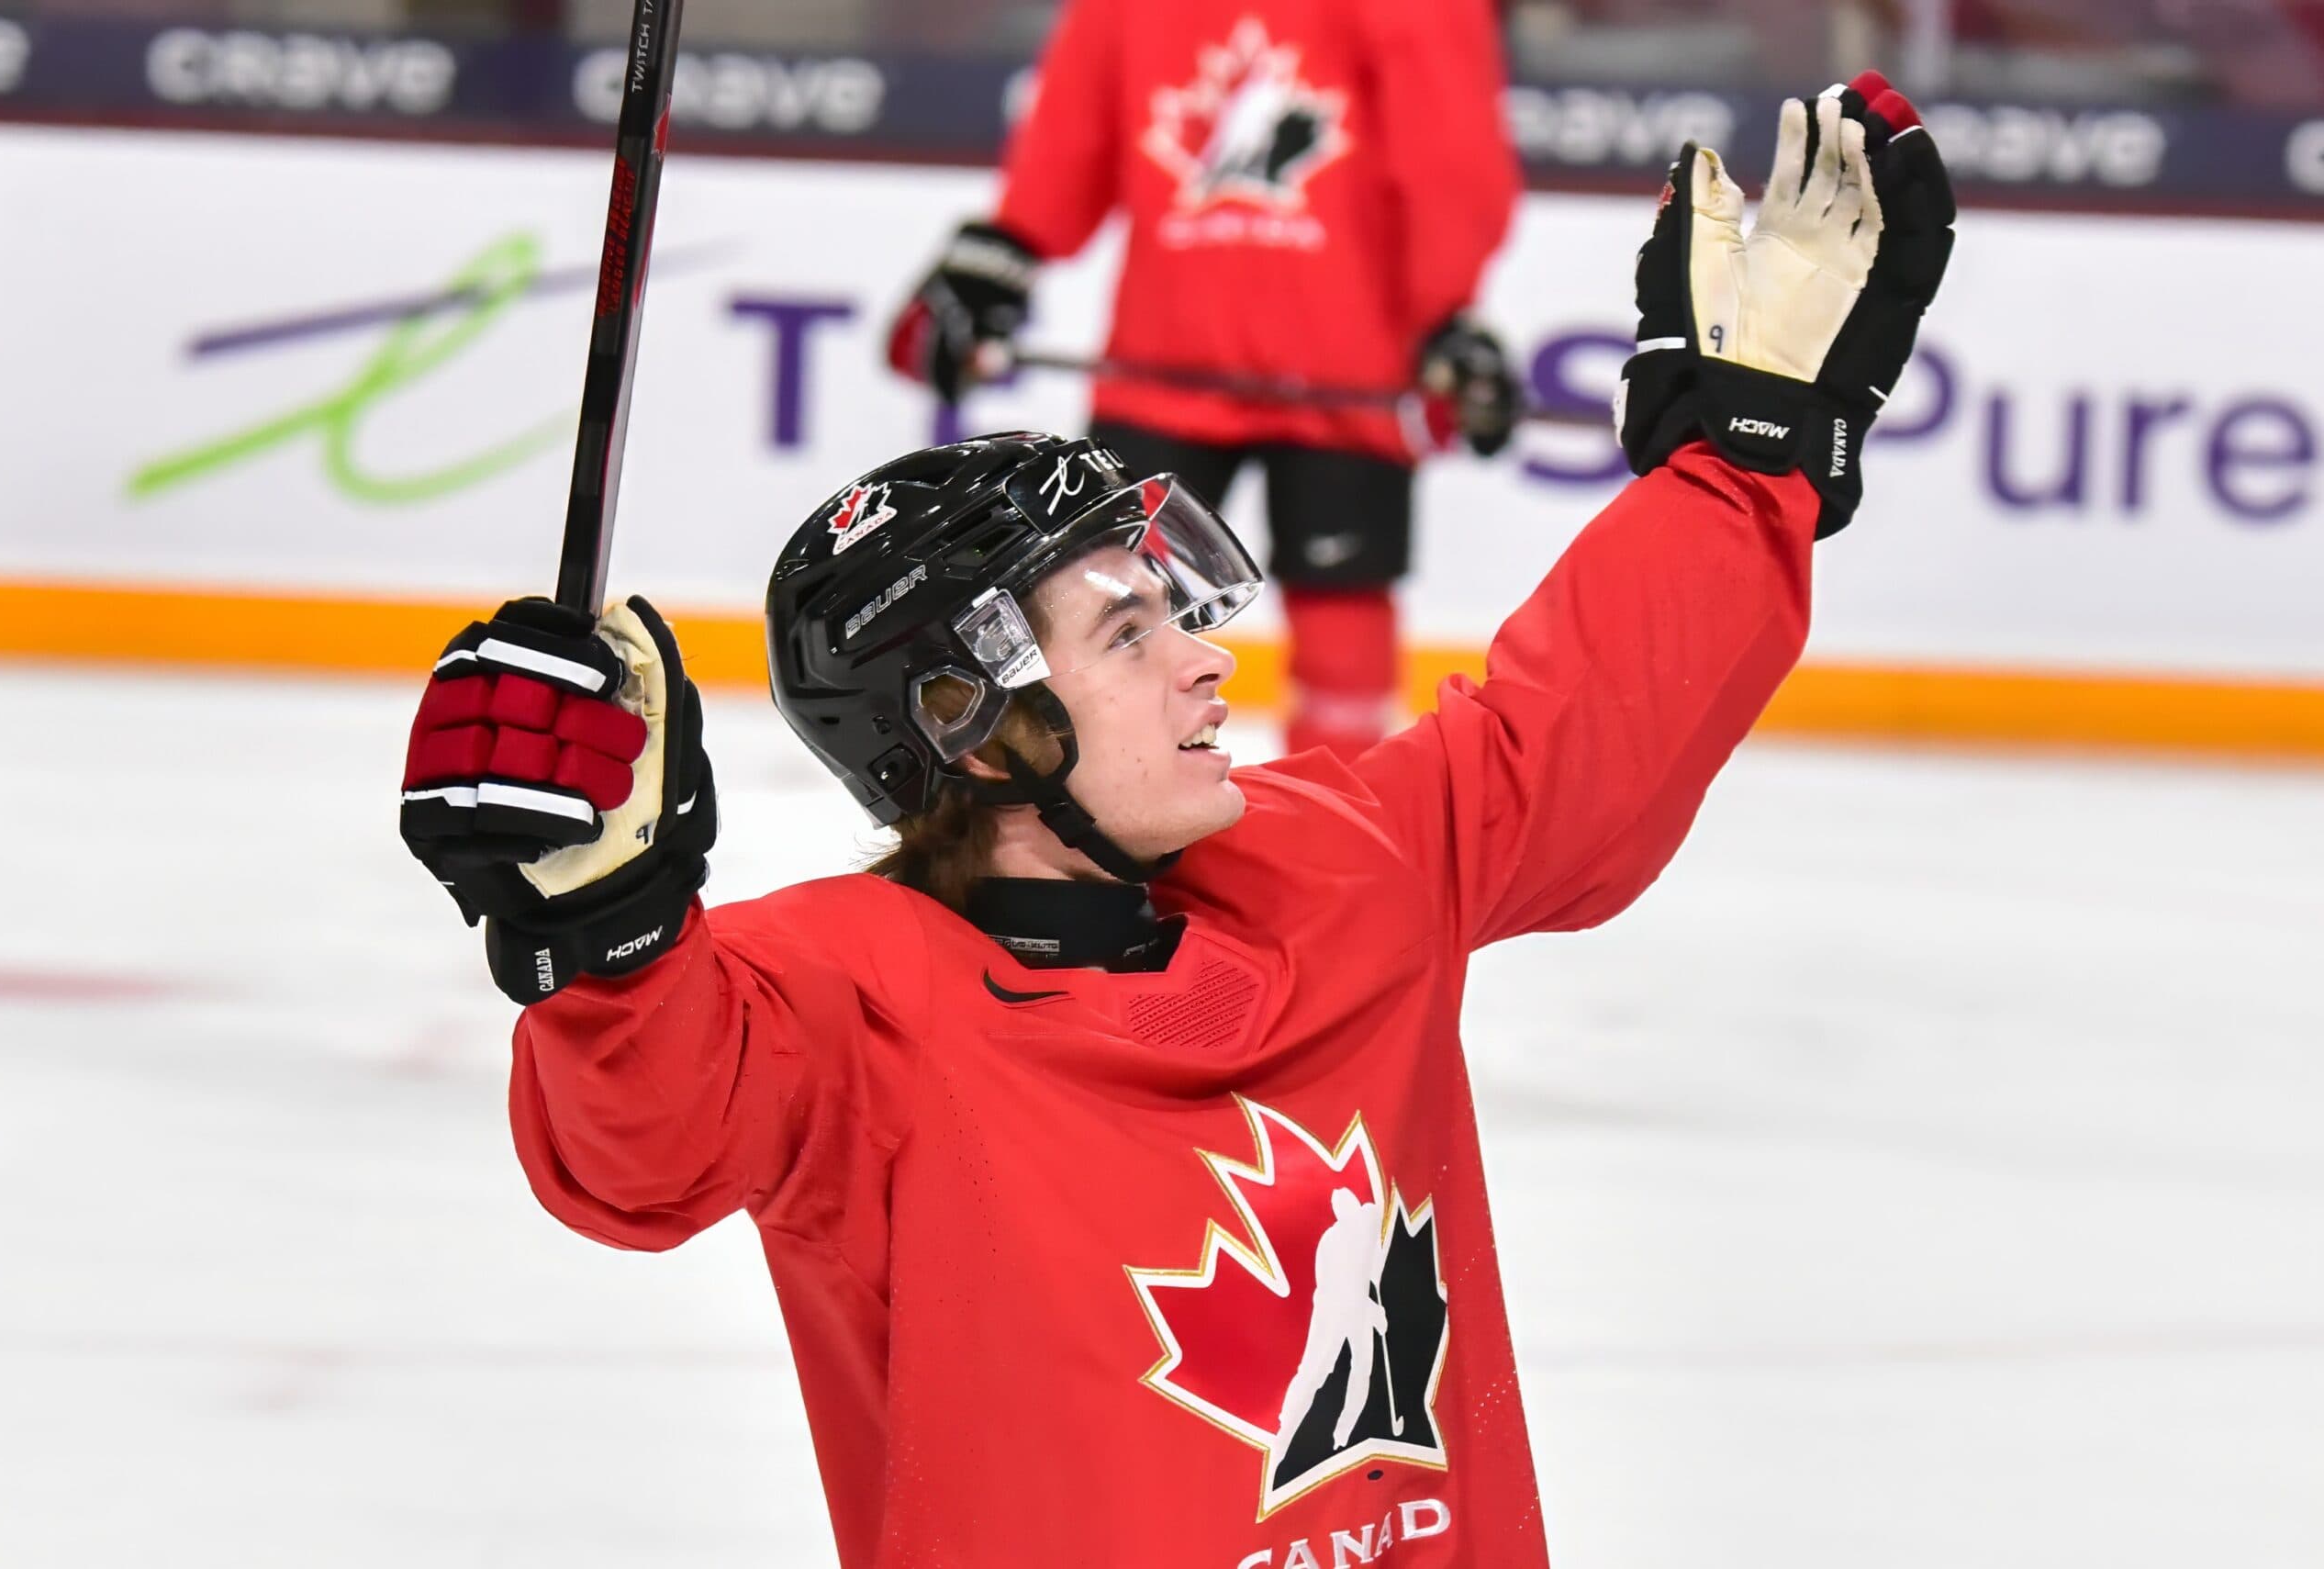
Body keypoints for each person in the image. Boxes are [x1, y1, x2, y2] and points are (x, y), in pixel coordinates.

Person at [399, 76, 1950, 1569]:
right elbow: (648, 1145)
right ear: (969, 716)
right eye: (1131, 632)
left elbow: (1584, 726)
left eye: (1177, 607)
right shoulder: (843, 998)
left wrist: (1745, 462)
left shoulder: (1340, 866)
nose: (1208, 653)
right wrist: (598, 935)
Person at [885, 0, 1528, 760]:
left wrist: (1445, 310)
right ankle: (1108, 819)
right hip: (1202, 362)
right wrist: (1009, 245)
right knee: (1107, 605)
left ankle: (1327, 829)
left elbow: (1447, 155)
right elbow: (1074, 124)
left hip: (1331, 373)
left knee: (1324, 620)